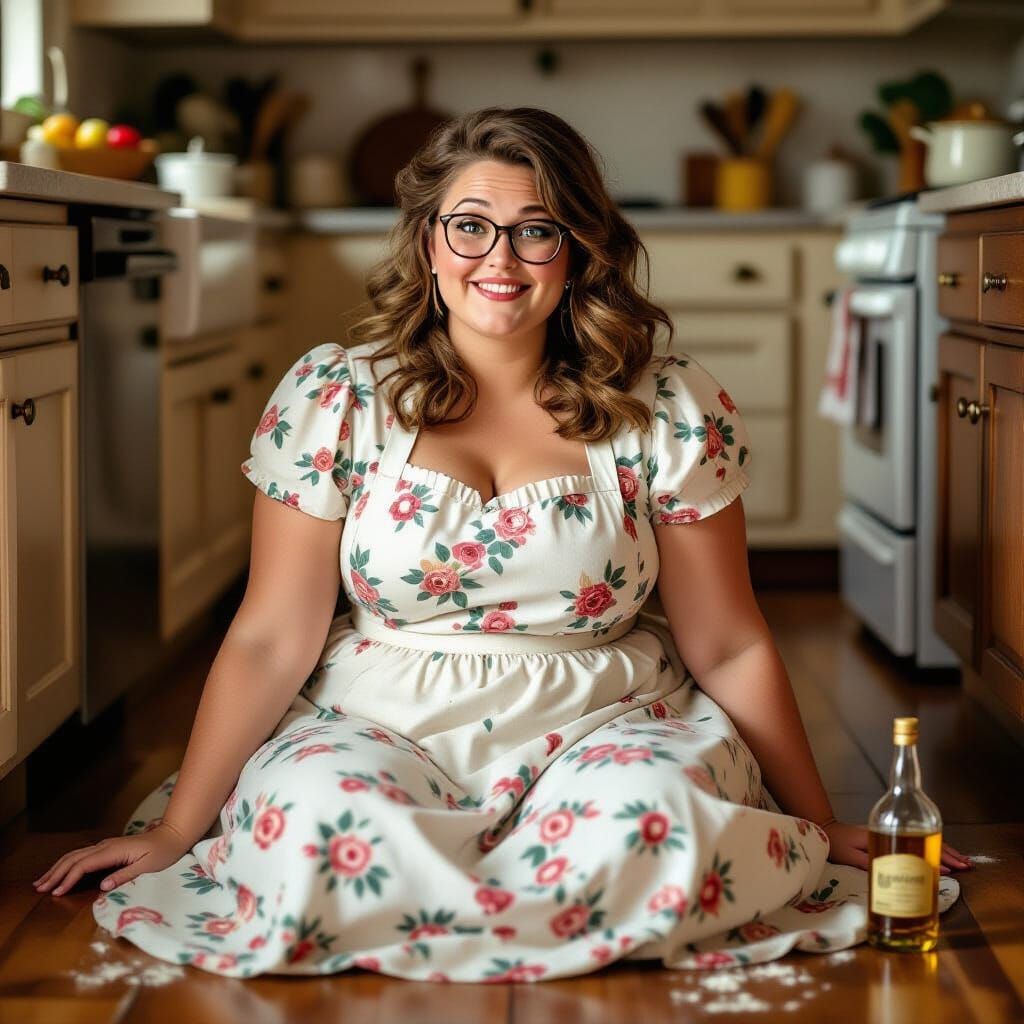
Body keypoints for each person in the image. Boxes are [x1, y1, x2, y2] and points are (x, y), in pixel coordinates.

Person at [34, 107, 971, 982]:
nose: (502, 258)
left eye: (537, 230)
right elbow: (271, 635)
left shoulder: (667, 402)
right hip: (378, 714)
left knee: (657, 830)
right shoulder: (337, 396)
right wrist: (181, 828)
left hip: (608, 714)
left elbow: (727, 638)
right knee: (323, 830)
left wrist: (814, 822)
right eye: (470, 225)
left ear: (577, 252)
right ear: (429, 241)